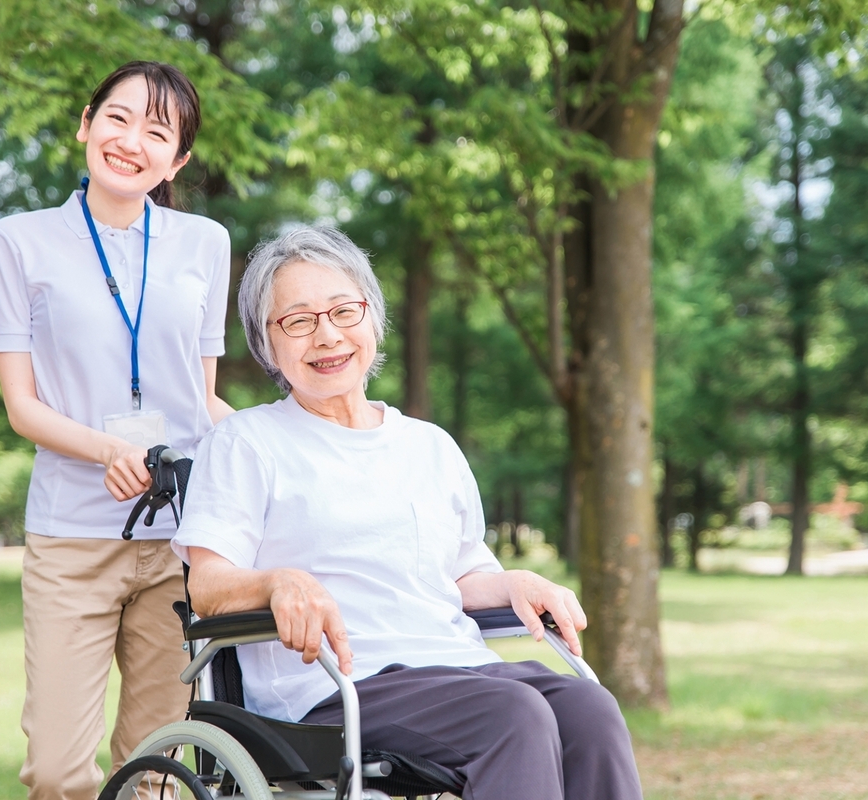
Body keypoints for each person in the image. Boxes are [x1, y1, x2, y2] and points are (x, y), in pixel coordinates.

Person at [171, 227, 644, 800]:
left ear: (373, 319)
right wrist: (278, 581)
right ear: (267, 344)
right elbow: (208, 586)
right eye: (298, 321)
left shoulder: (430, 446)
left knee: (588, 708)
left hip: (455, 670)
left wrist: (517, 581)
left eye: (344, 311)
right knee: (515, 713)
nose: (327, 335)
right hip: (334, 686)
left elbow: (462, 576)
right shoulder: (246, 442)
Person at [0, 61, 234, 800]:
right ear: (86, 123)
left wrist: (277, 447)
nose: (132, 141)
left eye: (157, 132)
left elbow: (203, 400)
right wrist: (109, 450)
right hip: (70, 538)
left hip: (178, 538)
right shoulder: (19, 240)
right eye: (118, 118)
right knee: (58, 772)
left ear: (178, 160)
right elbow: (21, 407)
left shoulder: (205, 242)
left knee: (153, 772)